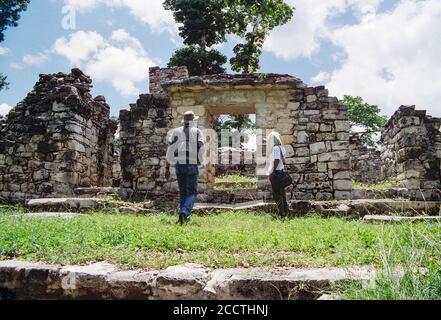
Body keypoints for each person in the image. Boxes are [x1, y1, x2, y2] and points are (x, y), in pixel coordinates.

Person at [165, 111, 205, 225]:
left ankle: (183, 217)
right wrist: (200, 161)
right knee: (191, 192)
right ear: (193, 121)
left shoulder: (176, 132)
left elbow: (169, 151)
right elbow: (201, 147)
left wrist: (167, 168)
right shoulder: (197, 131)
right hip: (191, 163)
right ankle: (185, 211)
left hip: (179, 163)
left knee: (183, 192)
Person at [267, 132, 289, 217]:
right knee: (282, 194)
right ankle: (286, 213)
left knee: (277, 195)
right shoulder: (281, 148)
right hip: (281, 172)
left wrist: (271, 172)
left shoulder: (275, 148)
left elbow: (276, 160)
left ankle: (281, 215)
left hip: (276, 173)